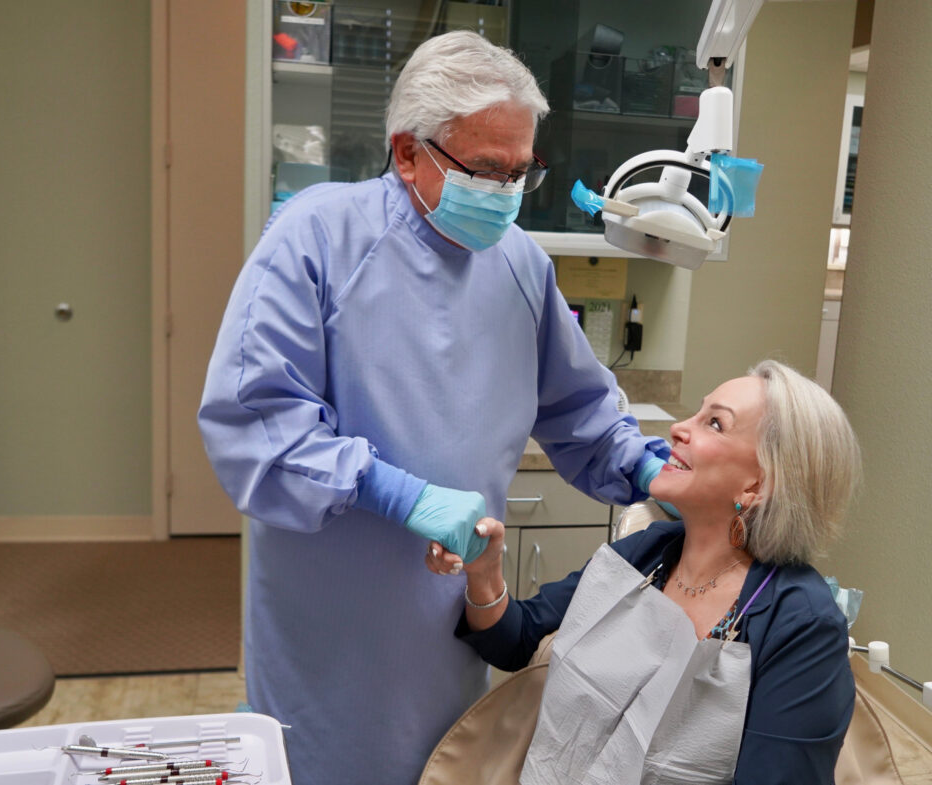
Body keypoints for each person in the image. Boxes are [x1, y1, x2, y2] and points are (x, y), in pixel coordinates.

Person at [197, 30, 670, 785]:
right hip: (335, 610)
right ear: (408, 152)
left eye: (522, 171)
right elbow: (258, 419)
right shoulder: (317, 236)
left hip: (454, 611)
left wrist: (648, 470)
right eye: (486, 168)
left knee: (446, 761)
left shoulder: (519, 264)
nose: (506, 191)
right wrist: (397, 493)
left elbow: (581, 409)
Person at [433, 360, 862, 784]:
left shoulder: (803, 624)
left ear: (757, 485)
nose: (679, 428)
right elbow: (516, 641)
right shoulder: (648, 551)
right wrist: (485, 572)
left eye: (714, 424)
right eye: (697, 411)